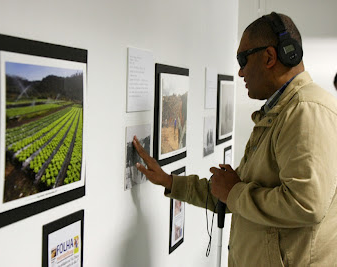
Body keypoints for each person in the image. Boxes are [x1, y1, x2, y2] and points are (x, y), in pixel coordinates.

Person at [133, 12, 337, 266]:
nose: (240, 72)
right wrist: (169, 181)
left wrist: (234, 191)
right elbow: (233, 193)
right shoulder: (281, 112)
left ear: (271, 57)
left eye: (243, 59)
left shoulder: (306, 111)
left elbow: (305, 205)